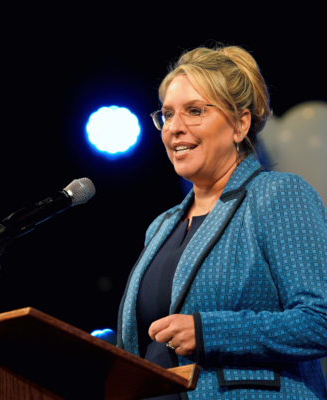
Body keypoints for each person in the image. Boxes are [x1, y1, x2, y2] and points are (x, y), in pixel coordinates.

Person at [117, 45, 327, 399]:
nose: (174, 129)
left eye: (194, 111)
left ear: (240, 124)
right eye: (167, 115)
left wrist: (209, 331)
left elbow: (319, 319)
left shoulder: (277, 195)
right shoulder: (161, 226)